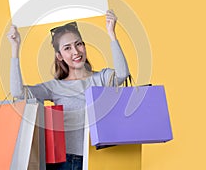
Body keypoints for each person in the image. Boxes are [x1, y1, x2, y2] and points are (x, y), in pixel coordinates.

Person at [7, 9, 130, 170]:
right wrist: (15, 48)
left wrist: (111, 33)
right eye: (67, 48)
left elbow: (123, 74)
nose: (76, 52)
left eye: (78, 44)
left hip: (99, 158)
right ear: (59, 56)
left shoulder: (101, 78)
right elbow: (18, 93)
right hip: (66, 161)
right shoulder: (55, 87)